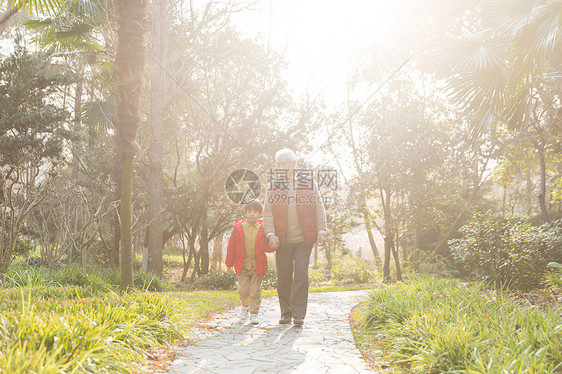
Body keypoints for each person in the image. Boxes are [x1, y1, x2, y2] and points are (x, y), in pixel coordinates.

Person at [263, 148, 327, 326]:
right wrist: (270, 234)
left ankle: (298, 314)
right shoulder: (273, 186)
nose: (280, 167)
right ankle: (286, 312)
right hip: (282, 240)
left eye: (283, 164)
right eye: (278, 165)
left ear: (294, 163)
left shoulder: (309, 183)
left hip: (302, 239)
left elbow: (318, 208)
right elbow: (267, 214)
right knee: (283, 276)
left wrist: (322, 230)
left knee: (301, 274)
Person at [225, 199, 275, 324]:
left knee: (255, 291)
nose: (252, 214)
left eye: (255, 211)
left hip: (258, 266)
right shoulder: (238, 229)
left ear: (260, 214)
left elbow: (267, 248)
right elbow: (231, 247)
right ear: (245, 213)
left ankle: (254, 313)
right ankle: (245, 306)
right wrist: (229, 264)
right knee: (243, 290)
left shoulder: (263, 229)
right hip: (242, 265)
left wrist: (274, 243)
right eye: (249, 211)